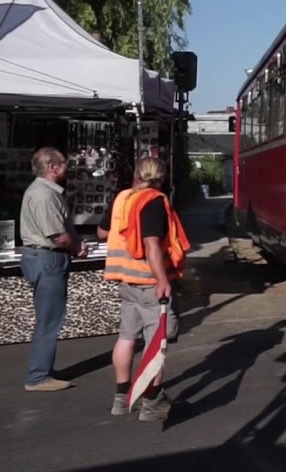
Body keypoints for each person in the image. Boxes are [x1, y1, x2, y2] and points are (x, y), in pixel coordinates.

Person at [102, 156, 191, 421]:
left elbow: (102, 232)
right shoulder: (153, 201)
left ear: (137, 174)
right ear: (161, 178)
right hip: (150, 284)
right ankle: (151, 403)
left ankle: (121, 398)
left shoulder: (123, 199)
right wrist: (162, 280)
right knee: (157, 343)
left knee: (126, 337)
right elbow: (151, 244)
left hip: (125, 282)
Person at [18, 147, 87, 392]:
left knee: (48, 318)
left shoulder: (44, 192)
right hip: (47, 258)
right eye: (64, 164)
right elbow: (58, 236)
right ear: (52, 167)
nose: (67, 169)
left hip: (45, 258)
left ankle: (42, 369)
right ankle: (38, 376)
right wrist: (78, 247)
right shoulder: (44, 195)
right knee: (50, 320)